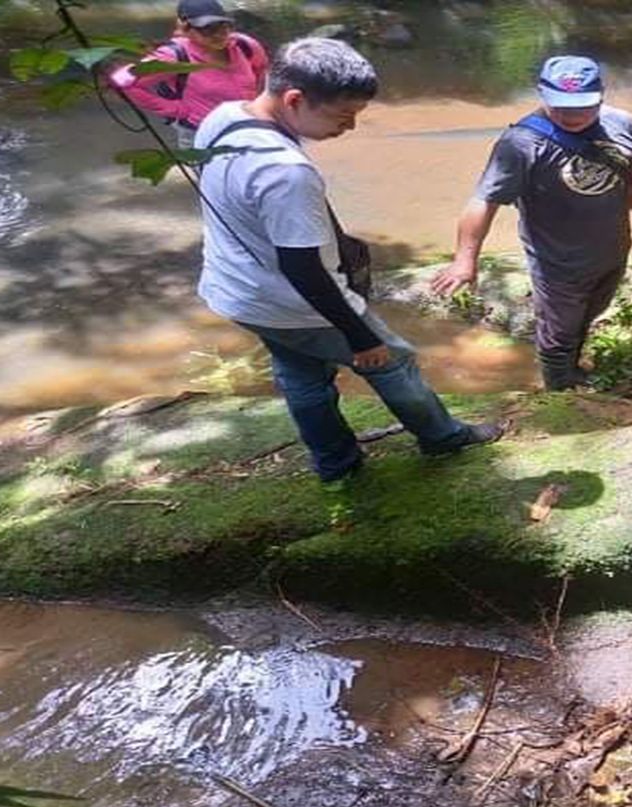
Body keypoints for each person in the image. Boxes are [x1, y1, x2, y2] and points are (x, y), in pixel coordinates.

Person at [192, 37, 501, 483]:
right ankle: (443, 438)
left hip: (237, 290)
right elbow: (303, 268)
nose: (351, 127)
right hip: (295, 302)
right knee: (392, 361)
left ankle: (337, 464)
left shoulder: (221, 118)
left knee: (301, 375)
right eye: (342, 116)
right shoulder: (285, 172)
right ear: (294, 99)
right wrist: (360, 338)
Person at [430, 55, 632, 391]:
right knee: (559, 332)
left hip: (612, 249)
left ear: (600, 96)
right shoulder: (521, 143)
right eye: (561, 106)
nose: (572, 115)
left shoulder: (624, 125)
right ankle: (559, 391)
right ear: (541, 94)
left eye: (583, 106)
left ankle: (574, 370)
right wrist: (465, 260)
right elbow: (485, 199)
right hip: (557, 261)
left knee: (589, 314)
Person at [108, 0, 268, 148]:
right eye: (208, 29)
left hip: (247, 126)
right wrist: (175, 110)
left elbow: (261, 69)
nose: (219, 34)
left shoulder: (244, 45)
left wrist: (258, 104)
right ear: (186, 29)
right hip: (202, 135)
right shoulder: (174, 56)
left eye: (223, 26)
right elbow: (121, 81)